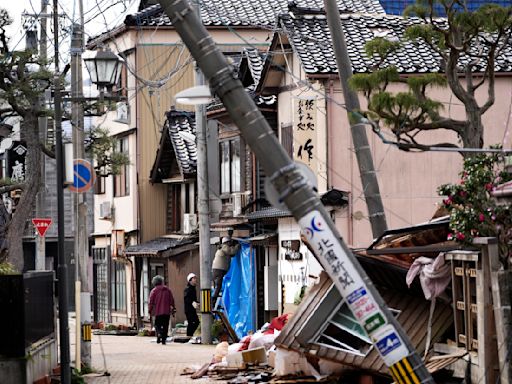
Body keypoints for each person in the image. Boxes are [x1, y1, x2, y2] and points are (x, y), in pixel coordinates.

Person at [212, 236, 240, 304]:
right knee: (218, 286)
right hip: (219, 270)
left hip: (217, 269)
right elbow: (232, 252)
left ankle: (214, 298)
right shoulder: (225, 247)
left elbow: (231, 255)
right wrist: (237, 245)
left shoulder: (222, 248)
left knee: (217, 285)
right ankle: (213, 300)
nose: (230, 244)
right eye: (230, 242)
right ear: (227, 242)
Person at [149, 275, 175, 345]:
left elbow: (151, 302)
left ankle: (159, 334)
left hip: (158, 312)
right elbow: (172, 300)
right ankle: (163, 340)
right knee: (165, 325)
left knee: (157, 325)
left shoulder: (154, 291)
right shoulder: (168, 290)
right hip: (166, 312)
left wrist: (150, 310)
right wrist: (173, 308)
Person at [184, 273, 200, 337]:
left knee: (195, 322)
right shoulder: (188, 289)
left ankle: (190, 335)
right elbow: (187, 299)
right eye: (194, 278)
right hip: (189, 309)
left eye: (195, 278)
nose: (195, 280)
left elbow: (193, 299)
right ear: (190, 280)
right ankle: (189, 335)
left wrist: (197, 302)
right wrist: (193, 302)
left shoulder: (193, 288)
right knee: (192, 323)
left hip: (192, 309)